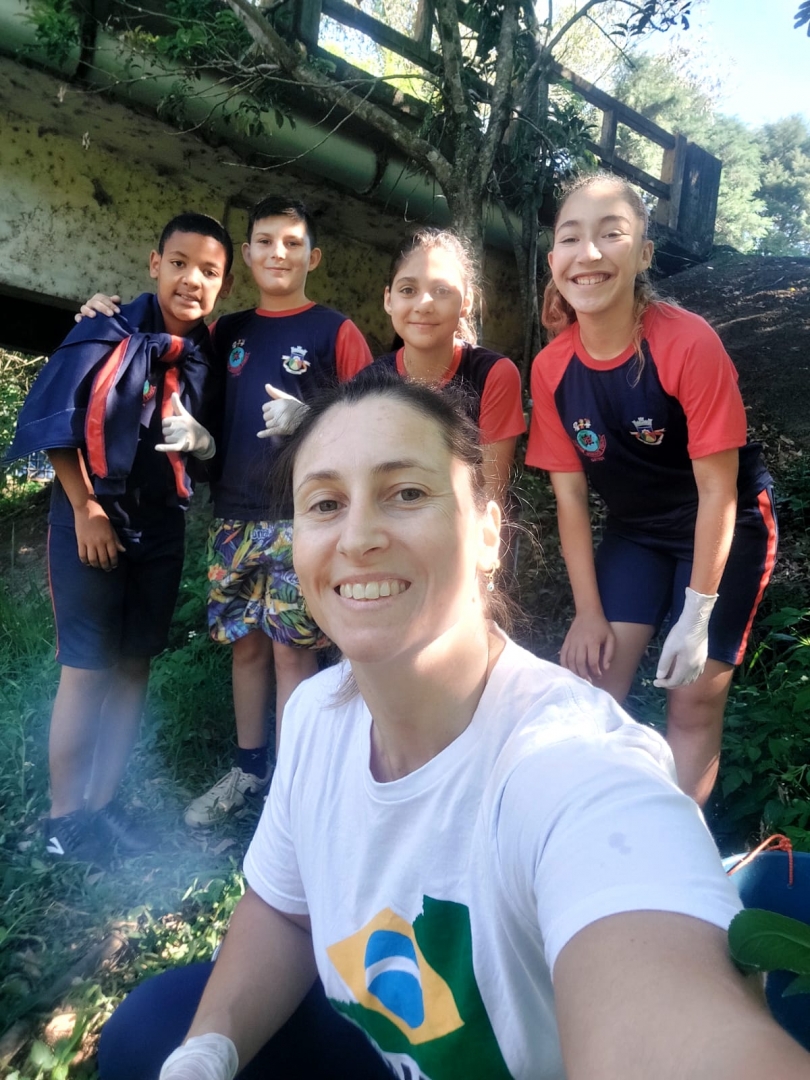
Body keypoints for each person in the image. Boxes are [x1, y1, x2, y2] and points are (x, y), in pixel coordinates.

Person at [98, 368, 809, 1080]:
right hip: (382, 1045)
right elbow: (286, 910)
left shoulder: (572, 765)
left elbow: (664, 1016)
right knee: (153, 1031)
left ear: (488, 534)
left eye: (407, 493)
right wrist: (211, 1049)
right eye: (325, 503)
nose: (358, 537)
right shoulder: (315, 715)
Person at [79, 197, 374, 828]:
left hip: (305, 518)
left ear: (313, 257)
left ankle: (294, 787)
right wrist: (104, 311)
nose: (278, 254)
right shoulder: (225, 332)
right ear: (247, 254)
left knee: (293, 653)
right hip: (234, 517)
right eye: (264, 241)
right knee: (246, 648)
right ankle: (249, 770)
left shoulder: (336, 330)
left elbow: (372, 419)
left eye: (292, 243)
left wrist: (313, 420)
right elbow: (160, 347)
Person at [525, 172, 777, 806]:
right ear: (553, 259)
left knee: (691, 702)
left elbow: (719, 492)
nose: (588, 253)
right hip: (636, 531)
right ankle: (584, 826)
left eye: (611, 234)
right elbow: (570, 499)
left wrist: (697, 613)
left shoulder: (687, 342)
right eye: (570, 238)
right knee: (590, 685)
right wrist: (587, 612)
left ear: (643, 254)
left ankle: (677, 845)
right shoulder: (551, 368)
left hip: (723, 524)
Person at [4, 212, 233, 862]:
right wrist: (85, 508)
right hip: (92, 520)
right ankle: (63, 818)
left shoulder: (207, 358)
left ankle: (102, 806)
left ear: (222, 284)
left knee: (134, 666)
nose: (192, 279)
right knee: (87, 669)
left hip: (160, 528)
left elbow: (212, 453)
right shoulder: (104, 327)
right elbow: (58, 423)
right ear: (155, 263)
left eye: (209, 271)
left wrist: (206, 443)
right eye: (180, 263)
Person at [374, 227, 525, 502]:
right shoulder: (371, 382)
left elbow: (490, 497)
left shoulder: (494, 375)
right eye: (408, 290)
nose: (424, 304)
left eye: (442, 290)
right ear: (388, 300)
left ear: (466, 302)